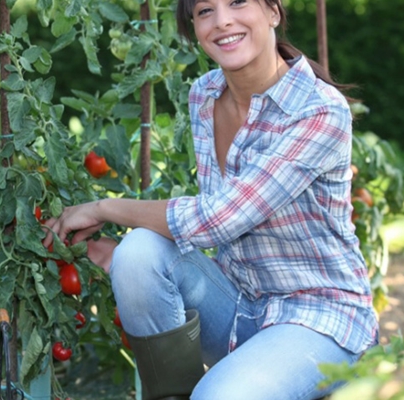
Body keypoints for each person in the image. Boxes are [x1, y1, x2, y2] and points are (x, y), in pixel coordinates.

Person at [43, 0, 379, 398]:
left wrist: (103, 207)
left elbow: (220, 218)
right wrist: (111, 253)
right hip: (236, 305)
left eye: (238, 2)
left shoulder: (319, 110)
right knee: (137, 252)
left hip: (322, 321)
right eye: (205, 11)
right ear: (195, 29)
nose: (222, 21)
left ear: (274, 11)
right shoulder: (204, 95)